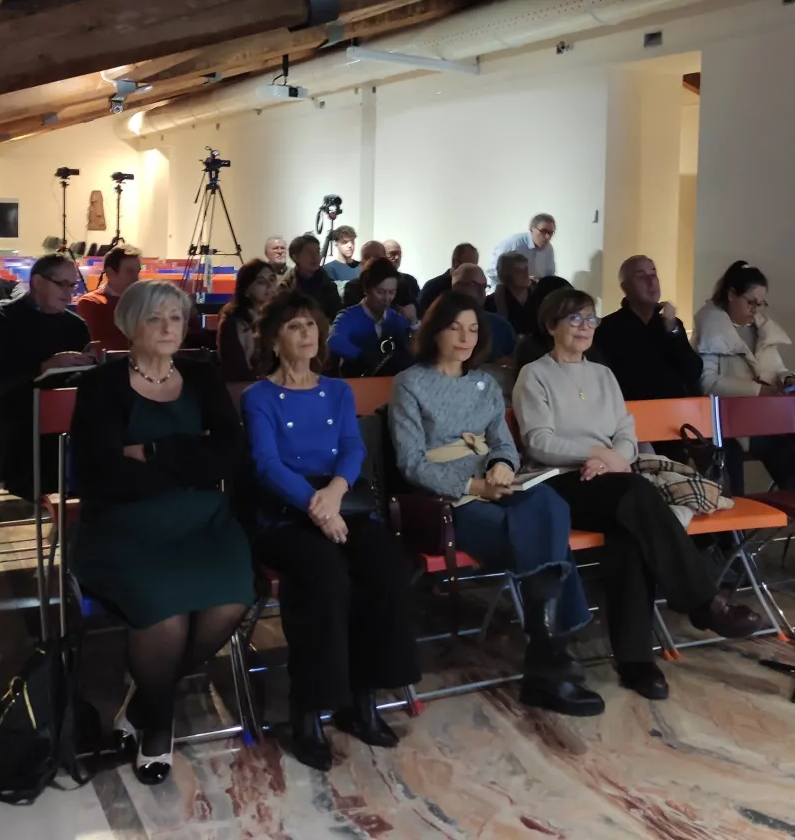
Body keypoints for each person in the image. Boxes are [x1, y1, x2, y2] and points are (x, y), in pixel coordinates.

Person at [512, 289, 765, 700]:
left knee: (630, 534)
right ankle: (702, 601)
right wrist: (598, 455)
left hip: (611, 479)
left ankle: (636, 663)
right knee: (635, 493)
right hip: (556, 481)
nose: (584, 327)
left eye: (590, 319)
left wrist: (614, 459)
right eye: (574, 319)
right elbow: (539, 441)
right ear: (551, 325)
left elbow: (626, 435)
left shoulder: (603, 375)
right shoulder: (535, 374)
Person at [67, 280, 253, 784]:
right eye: (156, 318)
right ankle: (159, 723)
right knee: (164, 613)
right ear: (131, 326)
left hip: (204, 519)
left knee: (231, 599)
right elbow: (100, 473)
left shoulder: (202, 376)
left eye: (176, 317)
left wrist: (151, 452)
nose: (170, 327)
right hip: (125, 522)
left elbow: (229, 453)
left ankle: (146, 699)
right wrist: (190, 460)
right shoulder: (102, 385)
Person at [389, 293, 603, 716]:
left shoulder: (484, 383)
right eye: (455, 328)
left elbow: (503, 443)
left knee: (550, 505)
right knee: (531, 531)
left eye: (473, 329)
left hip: (494, 483)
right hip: (447, 500)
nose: (465, 338)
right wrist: (473, 485)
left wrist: (503, 465)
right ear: (435, 331)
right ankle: (549, 654)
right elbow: (411, 462)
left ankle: (546, 654)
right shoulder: (409, 383)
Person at [242, 292, 419, 771]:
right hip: (285, 511)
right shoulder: (258, 397)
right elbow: (266, 465)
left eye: (311, 325)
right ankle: (308, 709)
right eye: (294, 326)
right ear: (274, 340)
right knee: (325, 579)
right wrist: (315, 506)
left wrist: (335, 494)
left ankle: (362, 698)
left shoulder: (337, 390)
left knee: (386, 569)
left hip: (341, 501)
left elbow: (352, 448)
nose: (306, 334)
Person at [0, 253, 96, 498]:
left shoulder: (75, 325)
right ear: (38, 282)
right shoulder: (0, 321)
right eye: (62, 284)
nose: (69, 293)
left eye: (72, 285)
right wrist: (43, 367)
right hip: (17, 419)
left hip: (66, 419)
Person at [693, 261, 795, 492]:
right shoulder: (712, 330)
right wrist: (757, 390)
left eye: (761, 303)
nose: (756, 309)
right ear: (732, 295)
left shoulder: (760, 328)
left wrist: (787, 379)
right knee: (732, 482)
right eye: (751, 302)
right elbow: (707, 382)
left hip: (759, 419)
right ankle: (739, 514)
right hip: (723, 422)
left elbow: (776, 368)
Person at [591, 255, 702, 401]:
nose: (651, 282)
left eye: (653, 275)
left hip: (673, 409)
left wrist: (672, 330)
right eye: (641, 277)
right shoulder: (608, 328)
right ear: (625, 287)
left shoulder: (670, 324)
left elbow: (693, 372)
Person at [329, 259, 414, 377]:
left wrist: (414, 322)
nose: (386, 298)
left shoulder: (394, 318)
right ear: (366, 289)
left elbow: (418, 346)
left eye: (391, 292)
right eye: (380, 292)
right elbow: (333, 341)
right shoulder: (348, 316)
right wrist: (361, 355)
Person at [216, 258, 278, 381]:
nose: (269, 285)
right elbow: (235, 371)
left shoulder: (281, 315)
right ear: (246, 289)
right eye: (260, 282)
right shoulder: (233, 322)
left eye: (272, 279)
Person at [77, 243, 142, 351]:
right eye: (130, 272)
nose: (136, 278)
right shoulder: (91, 303)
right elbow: (96, 347)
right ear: (110, 272)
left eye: (138, 272)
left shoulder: (144, 300)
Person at [489, 214, 556, 288]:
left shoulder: (549, 249)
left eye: (551, 232)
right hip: (504, 290)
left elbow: (549, 274)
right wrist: (519, 280)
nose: (547, 236)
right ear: (532, 229)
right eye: (543, 231)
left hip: (532, 291)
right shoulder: (513, 243)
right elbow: (492, 271)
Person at [288, 233, 342, 323]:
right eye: (309, 252)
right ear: (296, 257)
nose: (315, 257)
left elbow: (336, 316)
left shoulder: (329, 285)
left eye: (317, 252)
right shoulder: (287, 285)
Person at [417, 242, 478, 319]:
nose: (473, 271)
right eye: (469, 266)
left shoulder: (474, 290)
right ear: (455, 263)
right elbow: (421, 318)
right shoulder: (432, 287)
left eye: (475, 266)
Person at [487, 251, 541, 337]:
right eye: (518, 271)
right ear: (505, 275)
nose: (525, 275)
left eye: (526, 269)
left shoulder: (539, 297)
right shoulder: (491, 303)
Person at [381, 239, 421, 321]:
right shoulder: (374, 282)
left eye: (399, 254)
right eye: (392, 254)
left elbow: (419, 309)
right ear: (382, 255)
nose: (397, 258)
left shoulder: (410, 281)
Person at [340, 241, 389, 307]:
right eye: (367, 257)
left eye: (377, 257)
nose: (371, 261)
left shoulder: (400, 283)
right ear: (361, 264)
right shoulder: (353, 287)